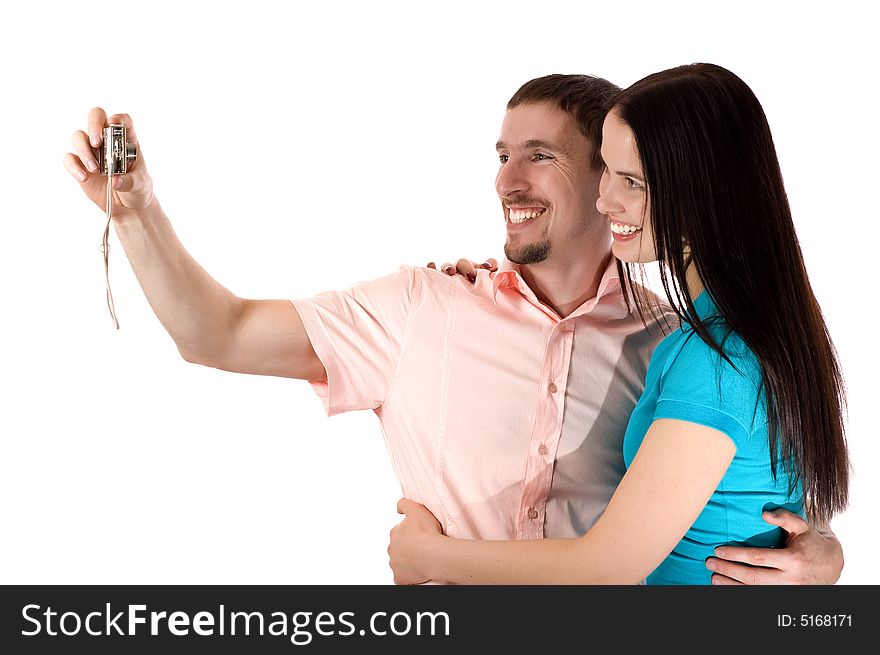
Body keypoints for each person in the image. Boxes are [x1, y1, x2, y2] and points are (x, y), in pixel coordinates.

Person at [63, 73, 843, 584]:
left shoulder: (675, 339)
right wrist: (137, 214)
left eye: (540, 156)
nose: (507, 179)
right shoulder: (419, 308)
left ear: (612, 175)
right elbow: (218, 333)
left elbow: (735, 508)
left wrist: (821, 562)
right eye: (501, 154)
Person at [387, 63, 850, 585]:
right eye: (606, 169)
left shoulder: (719, 359)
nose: (604, 200)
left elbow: (605, 565)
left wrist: (428, 556)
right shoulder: (733, 337)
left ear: (704, 192)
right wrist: (826, 545)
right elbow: (753, 493)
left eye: (632, 181)